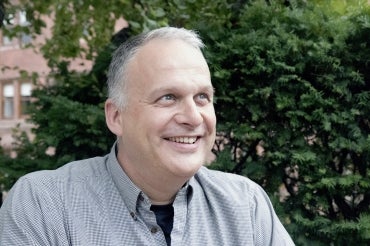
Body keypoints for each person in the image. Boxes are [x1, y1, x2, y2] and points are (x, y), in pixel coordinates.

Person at [0, 27, 295, 245]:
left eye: (203, 97)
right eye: (168, 97)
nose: (193, 117)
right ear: (116, 116)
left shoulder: (247, 206)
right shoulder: (45, 206)